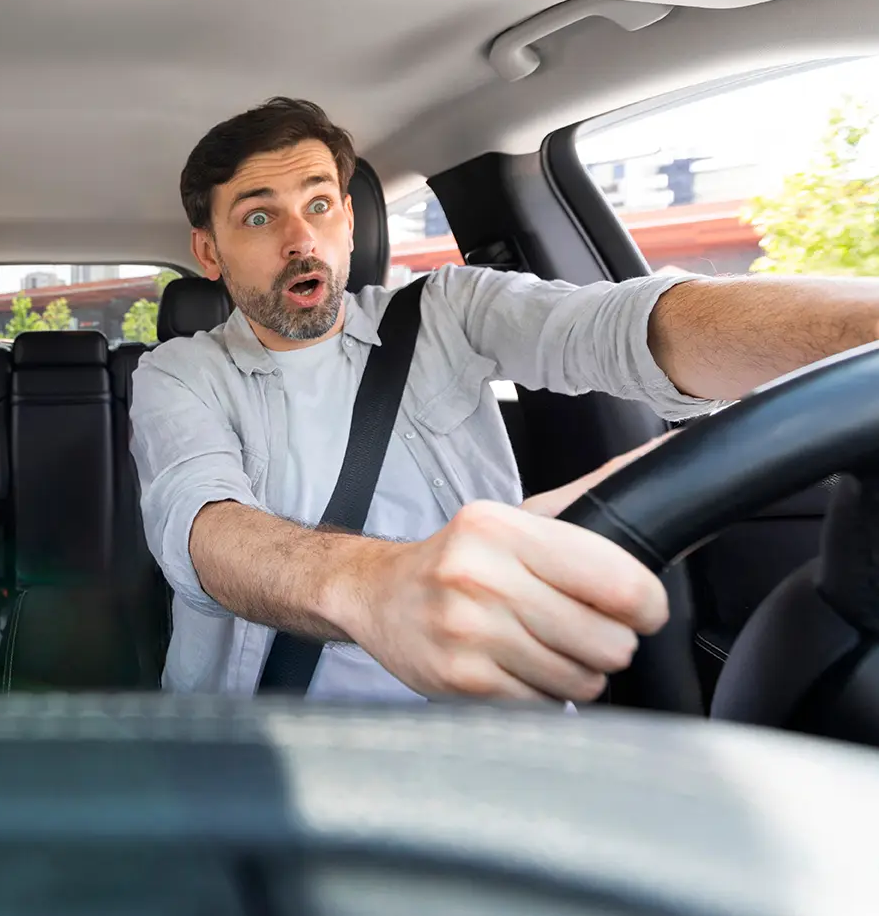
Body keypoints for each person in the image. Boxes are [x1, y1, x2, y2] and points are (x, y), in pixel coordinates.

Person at [130, 96, 879, 703]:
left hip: (486, 736)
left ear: (349, 222)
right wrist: (376, 585)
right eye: (259, 217)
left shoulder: (446, 311)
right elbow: (201, 521)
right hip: (259, 744)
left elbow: (625, 325)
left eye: (320, 204)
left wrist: (858, 332)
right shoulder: (178, 374)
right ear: (209, 252)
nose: (301, 238)